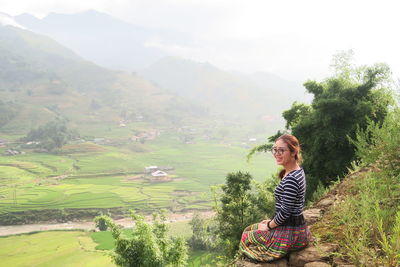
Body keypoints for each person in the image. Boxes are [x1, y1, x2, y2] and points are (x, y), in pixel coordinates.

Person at [239, 134, 311, 262]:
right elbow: (286, 209)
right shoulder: (295, 171)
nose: (277, 153)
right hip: (294, 227)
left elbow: (285, 212)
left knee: (246, 236)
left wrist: (268, 226)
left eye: (281, 150)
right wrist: (270, 222)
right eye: (275, 149)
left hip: (289, 233)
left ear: (293, 151)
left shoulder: (291, 179)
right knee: (251, 228)